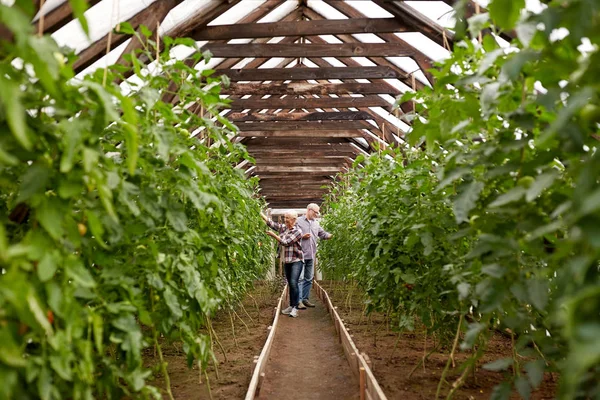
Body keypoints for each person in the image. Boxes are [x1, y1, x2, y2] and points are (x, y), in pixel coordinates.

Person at [261, 210, 304, 318]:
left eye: (287, 218)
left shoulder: (298, 231)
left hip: (296, 261)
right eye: (285, 218)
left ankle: (295, 308)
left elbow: (286, 243)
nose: (285, 220)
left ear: (294, 219)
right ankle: (291, 305)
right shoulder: (284, 228)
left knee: (294, 282)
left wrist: (274, 236)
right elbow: (272, 224)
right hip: (287, 261)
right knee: (290, 283)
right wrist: (260, 213)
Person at [296, 203, 332, 309]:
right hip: (300, 255)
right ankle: (298, 301)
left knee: (308, 278)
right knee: (300, 278)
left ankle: (305, 299)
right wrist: (302, 236)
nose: (317, 215)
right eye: (316, 212)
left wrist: (330, 235)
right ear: (309, 210)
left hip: (311, 255)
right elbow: (291, 234)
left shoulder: (315, 223)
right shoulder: (298, 221)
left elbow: (322, 233)